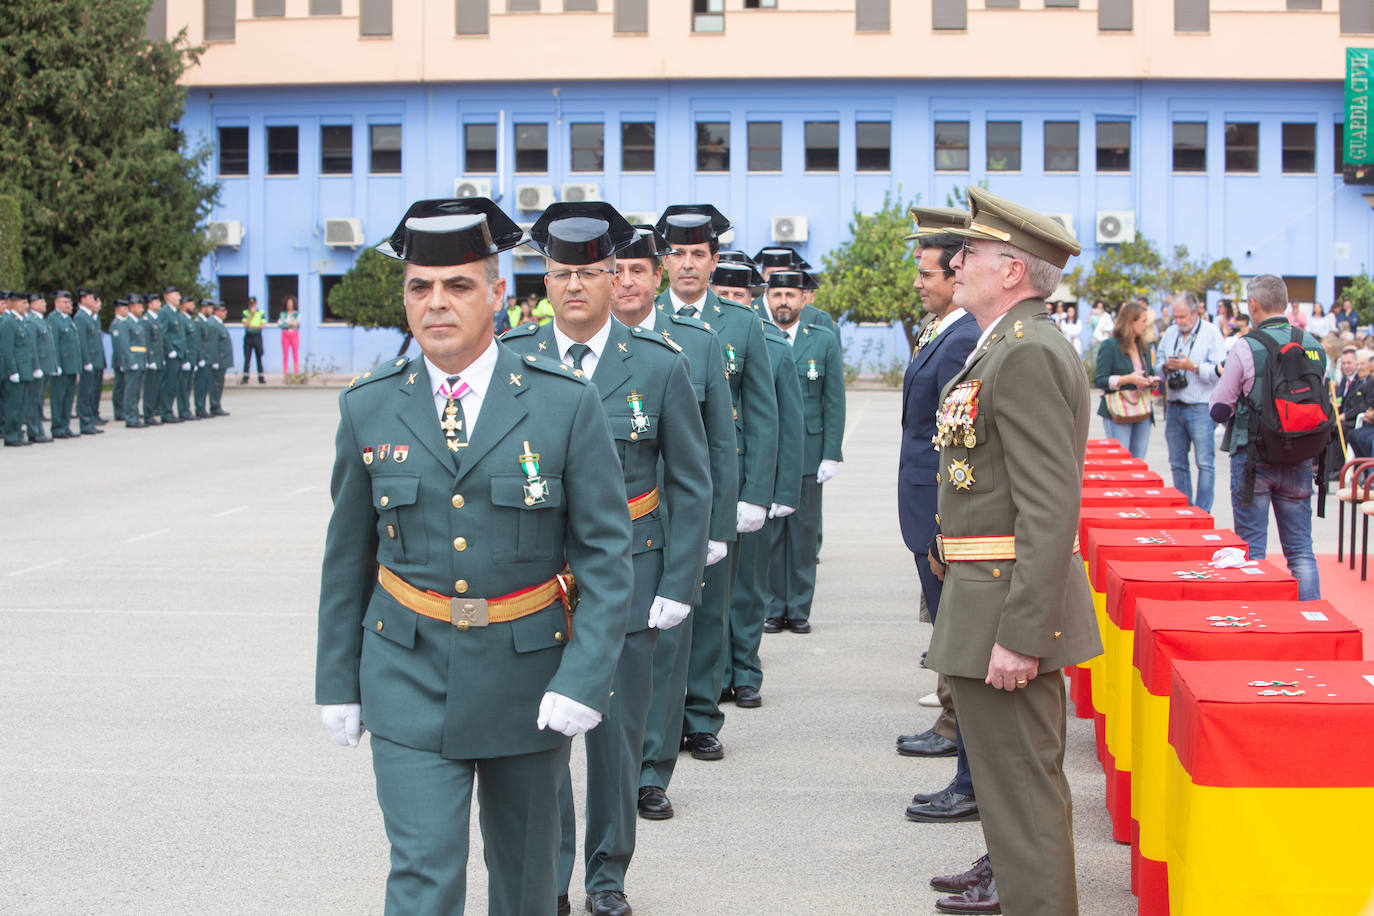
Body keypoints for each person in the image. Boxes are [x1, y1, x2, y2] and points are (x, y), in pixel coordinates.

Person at [314, 197, 635, 916]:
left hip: (529, 678)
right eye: (419, 287)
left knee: (525, 884)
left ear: (496, 293)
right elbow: (345, 560)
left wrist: (584, 677)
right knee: (424, 874)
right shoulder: (369, 407)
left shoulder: (563, 405)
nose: (436, 303)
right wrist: (338, 677)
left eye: (457, 285)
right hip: (407, 668)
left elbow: (608, 559)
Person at [503, 201, 712, 916]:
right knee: (544, 741)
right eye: (560, 273)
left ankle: (607, 876)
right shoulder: (512, 360)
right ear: (544, 280)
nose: (575, 286)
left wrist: (680, 579)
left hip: (632, 570)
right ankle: (551, 879)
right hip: (537, 581)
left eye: (591, 272)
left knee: (616, 740)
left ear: (615, 274)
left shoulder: (654, 366)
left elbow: (690, 478)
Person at [923, 187, 1101, 916]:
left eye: (974, 254)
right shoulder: (1005, 343)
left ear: (1013, 272)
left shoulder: (1025, 352)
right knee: (1010, 792)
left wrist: (1022, 635)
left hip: (1005, 607)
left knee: (1024, 797)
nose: (956, 262)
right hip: (982, 595)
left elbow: (1050, 507)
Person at [607, 225, 738, 822]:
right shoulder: (555, 349)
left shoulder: (693, 343)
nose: (625, 282)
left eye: (638, 270)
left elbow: (716, 449)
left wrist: (711, 530)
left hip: (663, 524)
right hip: (588, 530)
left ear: (656, 278)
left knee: (663, 651)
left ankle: (650, 770)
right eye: (615, 270)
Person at [652, 204, 778, 765]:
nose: (685, 264)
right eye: (675, 254)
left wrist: (751, 496)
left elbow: (761, 415)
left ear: (714, 261)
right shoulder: (641, 316)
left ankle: (701, 716)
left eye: (696, 254)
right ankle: (650, 717)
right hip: (651, 492)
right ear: (662, 261)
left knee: (706, 609)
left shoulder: (742, 323)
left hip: (713, 491)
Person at [894, 208, 982, 823]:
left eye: (929, 272)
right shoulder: (940, 329)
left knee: (959, 641)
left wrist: (944, 527)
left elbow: (958, 438)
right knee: (948, 636)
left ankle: (968, 771)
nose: (920, 282)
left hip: (942, 508)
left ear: (957, 274)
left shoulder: (961, 337)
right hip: (926, 502)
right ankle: (957, 740)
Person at [713, 261, 803, 709]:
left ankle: (745, 671)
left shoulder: (774, 346)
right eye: (723, 295)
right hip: (710, 481)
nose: (731, 303)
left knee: (748, 588)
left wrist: (781, 492)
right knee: (709, 591)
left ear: (753, 298)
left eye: (739, 296)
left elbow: (786, 425)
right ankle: (713, 675)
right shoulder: (691, 336)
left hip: (753, 481)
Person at [1210, 274, 1325, 601]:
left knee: (1252, 550)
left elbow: (1220, 408)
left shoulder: (1246, 347)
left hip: (1253, 460)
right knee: (1301, 551)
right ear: (1286, 303)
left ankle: (1261, 621)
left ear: (1253, 304)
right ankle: (1311, 622)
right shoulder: (1314, 345)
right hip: (1301, 455)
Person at [761, 270, 843, 634]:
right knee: (772, 534)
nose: (783, 302)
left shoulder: (822, 340)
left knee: (804, 534)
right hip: (772, 452)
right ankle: (773, 607)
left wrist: (831, 453)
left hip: (810, 452)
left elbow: (834, 400)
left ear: (803, 299)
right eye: (776, 294)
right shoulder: (759, 336)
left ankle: (799, 609)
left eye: (790, 295)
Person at [1159, 291, 1226, 512]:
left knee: (1204, 463)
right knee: (1177, 463)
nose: (1178, 322)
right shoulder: (1170, 333)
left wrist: (1192, 367)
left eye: (1183, 317)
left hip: (1201, 405)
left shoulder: (1211, 332)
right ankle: (1185, 509)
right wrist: (1166, 366)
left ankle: (1202, 511)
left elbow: (1221, 369)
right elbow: (1158, 362)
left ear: (1195, 313)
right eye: (1175, 317)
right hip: (1175, 405)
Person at [1094, 300, 1157, 458]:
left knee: (1139, 462)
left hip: (1142, 410)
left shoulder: (1144, 347)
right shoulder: (1111, 345)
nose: (1146, 324)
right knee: (1121, 461)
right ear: (1131, 321)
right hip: (1119, 410)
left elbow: (1148, 372)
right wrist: (1128, 379)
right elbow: (1100, 379)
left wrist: (1152, 381)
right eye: (1143, 320)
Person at [1, 291, 39, 446]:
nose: (26, 306)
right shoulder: (8, 322)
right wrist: (12, 371)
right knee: (13, 405)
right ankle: (10, 435)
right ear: (12, 303)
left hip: (25, 369)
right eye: (22, 303)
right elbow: (7, 350)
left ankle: (17, 433)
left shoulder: (21, 321)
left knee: (22, 404)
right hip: (16, 370)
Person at [46, 290, 81, 439]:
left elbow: (75, 345)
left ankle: (65, 426)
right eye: (65, 302)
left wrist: (77, 366)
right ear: (57, 303)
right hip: (61, 367)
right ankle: (57, 427)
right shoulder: (53, 319)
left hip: (71, 365)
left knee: (68, 398)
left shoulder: (68, 319)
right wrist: (56, 364)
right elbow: (53, 344)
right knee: (58, 398)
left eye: (70, 302)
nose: (69, 305)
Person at [73, 288, 106, 435]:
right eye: (91, 298)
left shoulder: (90, 317)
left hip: (95, 360)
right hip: (89, 361)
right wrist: (85, 361)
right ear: (83, 299)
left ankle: (89, 420)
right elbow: (82, 341)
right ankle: (85, 422)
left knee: (91, 391)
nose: (93, 301)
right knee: (85, 393)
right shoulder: (81, 317)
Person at [112, 295, 148, 428]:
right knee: (131, 390)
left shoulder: (137, 323)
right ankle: (130, 417)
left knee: (137, 391)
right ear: (131, 308)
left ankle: (134, 414)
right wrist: (130, 361)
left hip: (140, 360)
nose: (142, 309)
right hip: (132, 361)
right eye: (139, 307)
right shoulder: (124, 323)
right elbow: (124, 344)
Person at [25, 293, 56, 443]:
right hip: (38, 368)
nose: (45, 304)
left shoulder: (41, 321)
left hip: (45, 367)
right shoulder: (31, 322)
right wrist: (35, 367)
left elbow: (49, 346)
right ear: (33, 304)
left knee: (39, 400)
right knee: (33, 401)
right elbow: (32, 347)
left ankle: (38, 429)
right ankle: (34, 431)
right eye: (41, 301)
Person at [140, 292, 163, 426]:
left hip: (158, 359)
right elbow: (146, 342)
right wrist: (149, 359)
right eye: (156, 302)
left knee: (155, 389)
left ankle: (152, 413)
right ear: (150, 304)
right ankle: (148, 415)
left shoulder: (156, 320)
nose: (159, 304)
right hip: (151, 360)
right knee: (149, 389)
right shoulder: (146, 321)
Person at [176, 293, 199, 420]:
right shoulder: (181, 319)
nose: (193, 306)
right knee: (182, 386)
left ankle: (186, 409)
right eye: (191, 304)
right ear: (183, 306)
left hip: (191, 358)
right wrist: (184, 359)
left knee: (188, 386)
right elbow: (182, 340)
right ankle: (183, 410)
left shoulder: (190, 320)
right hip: (186, 358)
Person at [209, 300, 232, 416]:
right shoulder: (213, 324)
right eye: (223, 310)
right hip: (218, 359)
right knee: (215, 384)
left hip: (222, 360)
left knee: (219, 383)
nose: (225, 313)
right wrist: (215, 360)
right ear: (217, 311)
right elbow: (213, 344)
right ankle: (214, 406)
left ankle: (217, 405)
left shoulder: (219, 323)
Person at [241, 296, 266, 384]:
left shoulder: (261, 312)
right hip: (248, 337)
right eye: (250, 304)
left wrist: (252, 327)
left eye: (253, 304)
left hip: (257, 336)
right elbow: (245, 324)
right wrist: (251, 315)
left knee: (259, 356)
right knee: (247, 357)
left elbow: (262, 325)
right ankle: (245, 376)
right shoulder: (245, 312)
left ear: (256, 304)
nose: (252, 306)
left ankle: (261, 377)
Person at [279, 295, 301, 376]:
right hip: (285, 334)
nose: (290, 305)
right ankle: (285, 374)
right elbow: (281, 324)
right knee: (285, 355)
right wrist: (291, 323)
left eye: (291, 303)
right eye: (288, 303)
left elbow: (297, 324)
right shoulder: (283, 314)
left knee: (295, 354)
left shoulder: (296, 314)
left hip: (294, 334)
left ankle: (296, 374)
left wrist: (288, 323)